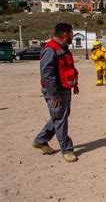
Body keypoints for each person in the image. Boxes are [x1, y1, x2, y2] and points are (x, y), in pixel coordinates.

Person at [32, 23, 79, 162]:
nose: (72, 36)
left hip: (64, 89)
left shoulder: (62, 48)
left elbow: (68, 68)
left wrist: (74, 85)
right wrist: (53, 95)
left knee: (61, 116)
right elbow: (47, 74)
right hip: (55, 91)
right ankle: (67, 149)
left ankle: (41, 140)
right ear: (65, 35)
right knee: (60, 119)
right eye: (71, 33)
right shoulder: (50, 49)